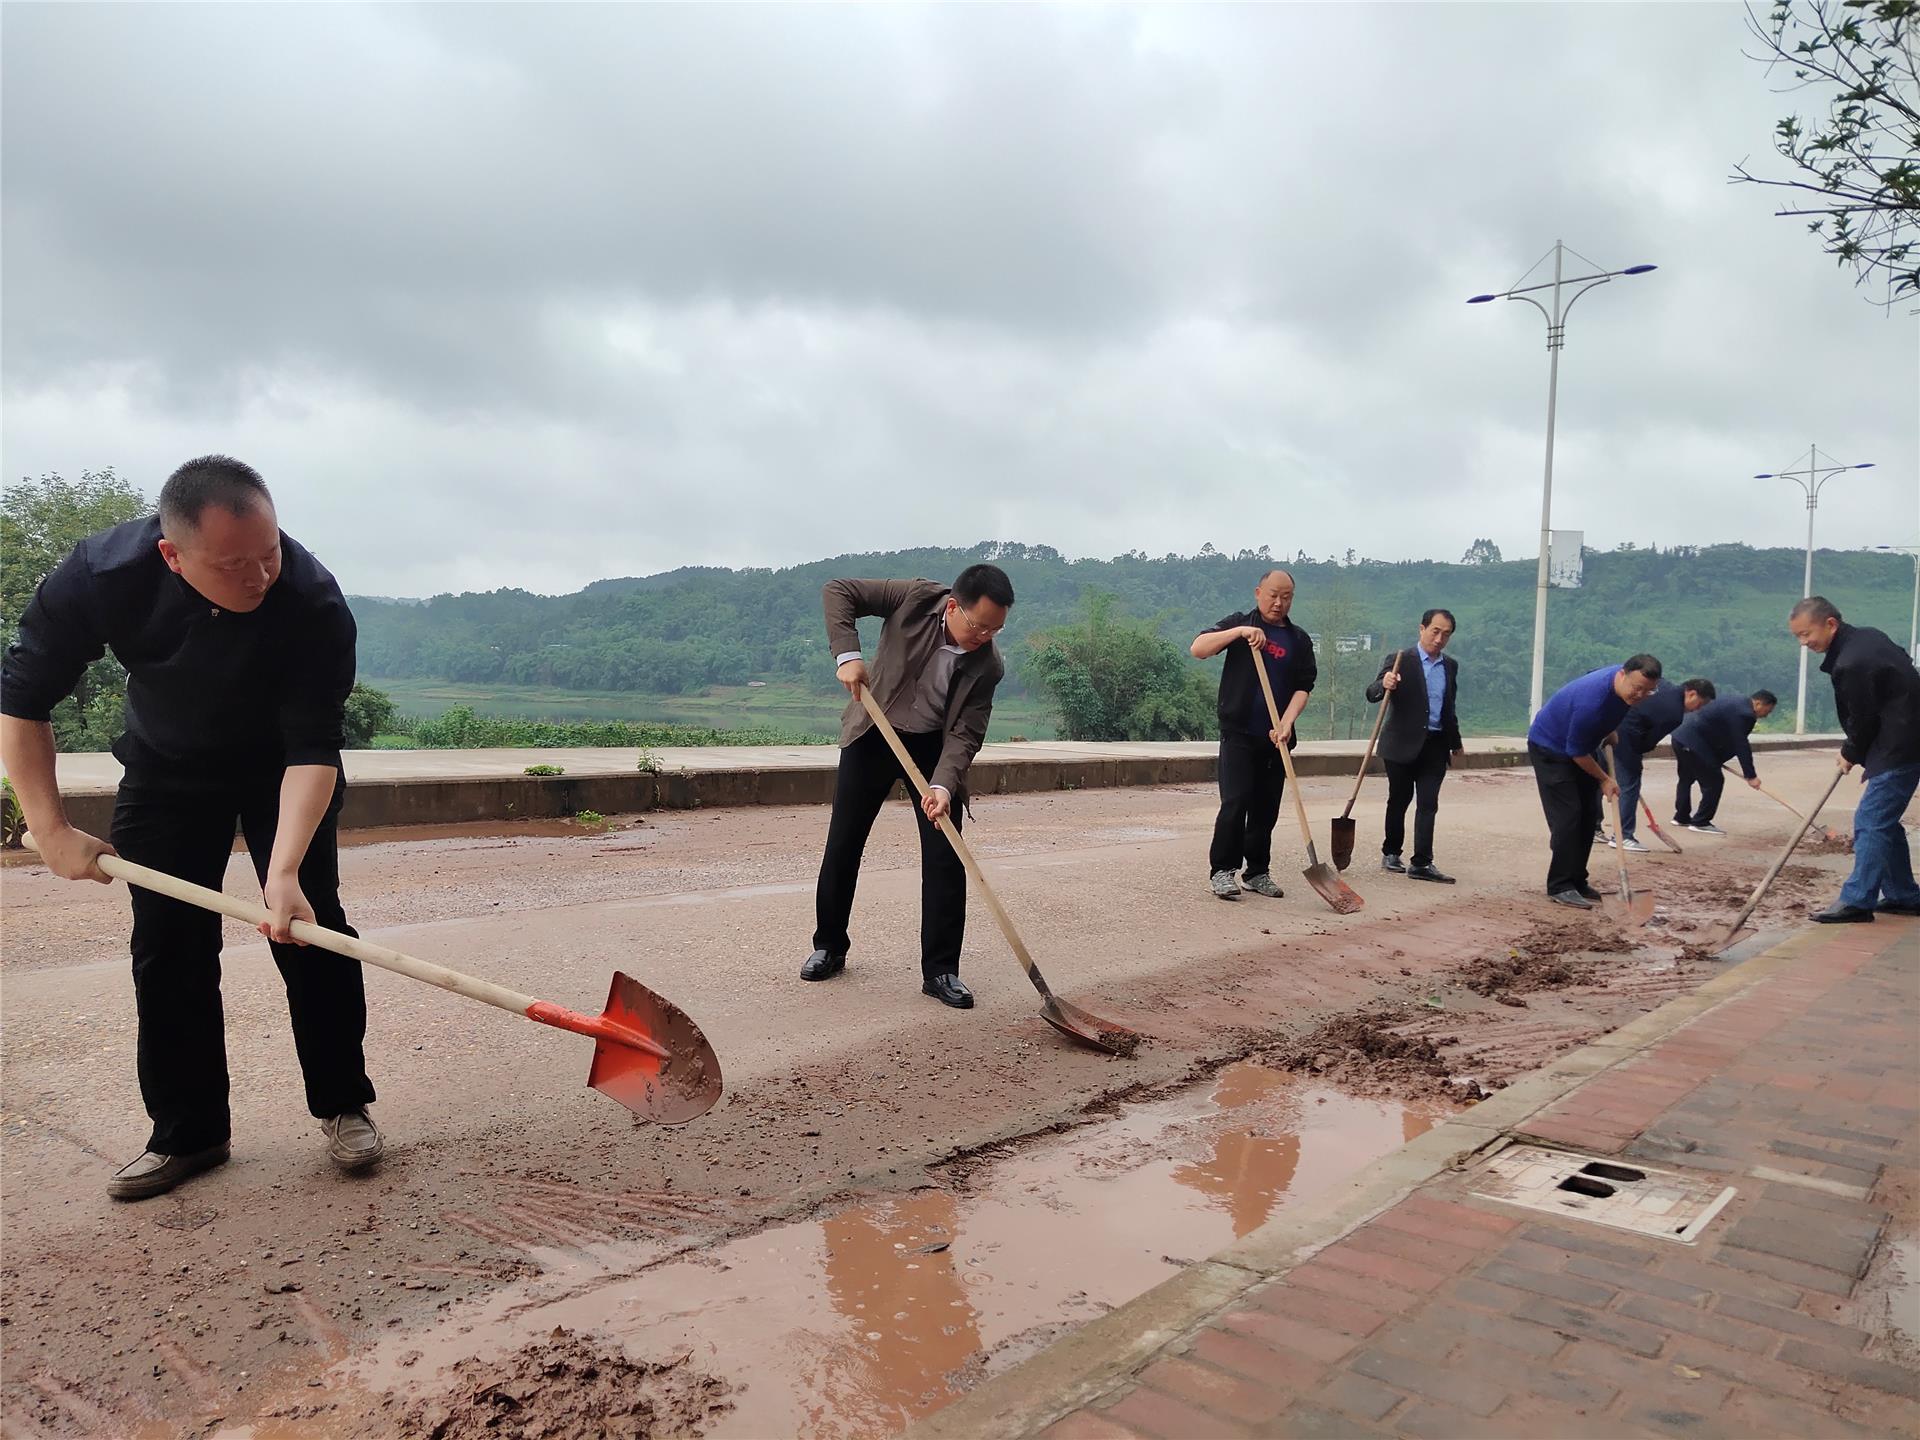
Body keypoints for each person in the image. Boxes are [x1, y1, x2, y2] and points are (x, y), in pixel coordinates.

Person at [0, 456, 380, 1201]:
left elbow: (312, 746)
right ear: (172, 555)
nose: (259, 576)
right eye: (234, 563)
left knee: (312, 929)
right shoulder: (101, 576)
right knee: (168, 945)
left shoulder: (312, 600)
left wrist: (283, 874)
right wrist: (48, 828)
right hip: (168, 769)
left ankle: (343, 1103)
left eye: (268, 552)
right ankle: (190, 1133)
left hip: (282, 772)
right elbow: (22, 702)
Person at [805, 564, 1014, 1008]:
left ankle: (941, 971)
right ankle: (829, 945)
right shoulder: (915, 598)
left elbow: (966, 733)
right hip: (876, 731)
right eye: (980, 626)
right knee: (844, 841)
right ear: (953, 607)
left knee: (946, 854)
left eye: (996, 629)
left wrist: (943, 786)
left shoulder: (988, 664)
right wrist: (847, 655)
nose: (986, 637)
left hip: (933, 748)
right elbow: (838, 590)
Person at [1788, 597, 1920, 923]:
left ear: (1830, 623)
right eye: (1798, 637)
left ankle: (1858, 900)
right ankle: (1904, 895)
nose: (1804, 643)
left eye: (1807, 634)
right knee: (1883, 821)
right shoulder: (1868, 637)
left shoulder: (1851, 663)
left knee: (1870, 820)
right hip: (1905, 737)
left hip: (1900, 744)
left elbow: (1863, 717)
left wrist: (1851, 751)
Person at [1191, 570, 1317, 901]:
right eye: (1273, 594)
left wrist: (1287, 723)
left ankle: (1257, 871)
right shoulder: (1240, 624)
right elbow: (1199, 648)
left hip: (1276, 738)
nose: (1279, 602)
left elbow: (1304, 687)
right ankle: (1222, 870)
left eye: (1286, 596)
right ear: (1258, 592)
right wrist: (1241, 632)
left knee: (1266, 809)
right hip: (1239, 734)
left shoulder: (1299, 640)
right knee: (1235, 802)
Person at [1525, 655, 1664, 909]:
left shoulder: (1617, 682)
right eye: (1636, 688)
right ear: (1622, 675)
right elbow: (1576, 752)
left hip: (1583, 744)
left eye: (1648, 690)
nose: (1640, 695)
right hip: (1551, 748)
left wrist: (1608, 729)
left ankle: (1578, 879)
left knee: (1590, 815)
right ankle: (1560, 885)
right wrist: (1605, 779)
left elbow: (1593, 675)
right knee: (1570, 816)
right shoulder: (1593, 704)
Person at [1366, 609, 1464, 882]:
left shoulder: (1450, 666)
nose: (1439, 638)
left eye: (1446, 634)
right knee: (1399, 799)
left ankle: (1422, 862)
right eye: (1435, 631)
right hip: (1401, 744)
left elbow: (1449, 707)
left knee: (1428, 803)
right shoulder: (1401, 661)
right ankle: (1391, 852)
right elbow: (1372, 693)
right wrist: (1384, 684)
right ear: (1422, 629)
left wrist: (1455, 742)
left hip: (1435, 745)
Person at [1605, 676, 1714, 852]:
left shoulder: (1663, 684)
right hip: (1627, 735)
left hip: (1609, 724)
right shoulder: (1674, 713)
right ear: (1692, 694)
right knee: (1630, 783)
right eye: (1700, 704)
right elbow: (1648, 743)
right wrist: (1635, 760)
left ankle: (1595, 828)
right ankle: (1622, 835)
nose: (1697, 710)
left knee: (1601, 777)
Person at [1671, 689, 1777, 834]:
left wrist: (1715, 759)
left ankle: (1681, 817)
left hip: (1679, 736)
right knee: (1714, 782)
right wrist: (1750, 775)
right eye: (1768, 711)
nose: (1766, 715)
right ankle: (1701, 822)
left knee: (1686, 778)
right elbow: (1740, 744)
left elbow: (1723, 735)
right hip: (1694, 742)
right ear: (1758, 703)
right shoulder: (1746, 714)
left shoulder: (1734, 698)